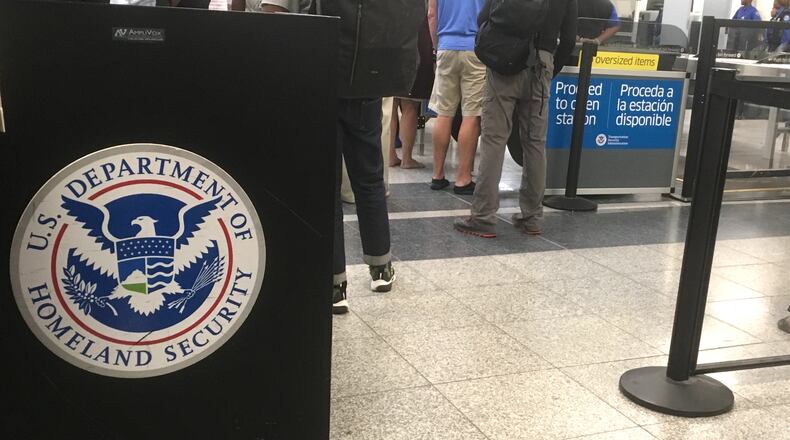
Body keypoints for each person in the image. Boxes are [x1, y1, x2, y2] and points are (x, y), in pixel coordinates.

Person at [453, 0, 577, 238]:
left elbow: (483, 19)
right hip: (542, 63)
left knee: (493, 140)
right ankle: (531, 218)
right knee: (535, 143)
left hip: (504, 60)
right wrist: (550, 67)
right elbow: (569, 38)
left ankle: (483, 217)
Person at [427, 0, 487, 195]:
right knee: (471, 115)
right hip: (476, 49)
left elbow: (431, 15)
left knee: (443, 114)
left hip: (446, 46)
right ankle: (463, 179)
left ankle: (437, 175)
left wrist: (437, 46)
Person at [389, 18, 435, 170]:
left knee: (391, 105)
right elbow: (431, 13)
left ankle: (390, 155)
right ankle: (407, 158)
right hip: (415, 45)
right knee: (410, 107)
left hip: (392, 42)